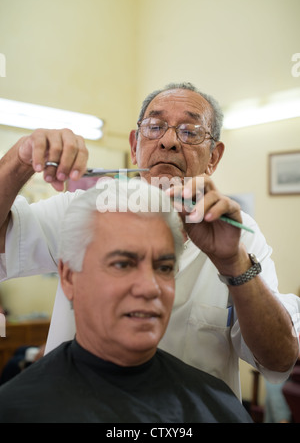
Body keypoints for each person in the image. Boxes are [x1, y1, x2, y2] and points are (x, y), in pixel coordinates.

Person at [0, 82, 299, 399]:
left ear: (214, 156)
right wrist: (19, 161)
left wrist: (233, 263)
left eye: (190, 131)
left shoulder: (239, 235)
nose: (169, 142)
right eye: (155, 127)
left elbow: (279, 361)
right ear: (134, 144)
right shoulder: (82, 210)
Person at [0, 180, 253, 423]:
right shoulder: (16, 410)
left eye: (164, 267)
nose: (150, 288)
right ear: (69, 277)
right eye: (122, 264)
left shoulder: (217, 404)